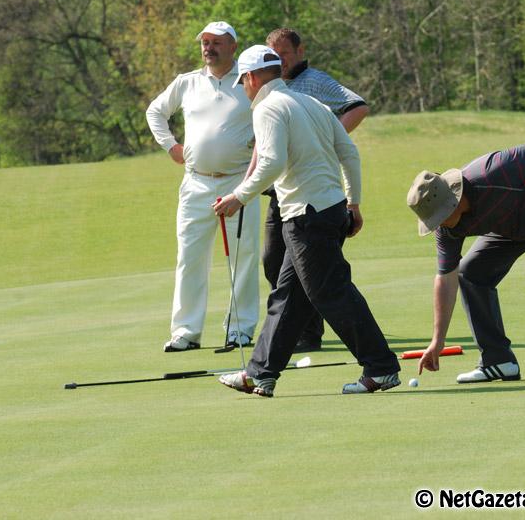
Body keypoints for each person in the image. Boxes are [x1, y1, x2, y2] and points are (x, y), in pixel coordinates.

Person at [213, 45, 400, 397]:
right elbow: (349, 152)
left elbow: (271, 162)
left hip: (306, 216)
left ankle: (381, 367)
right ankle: (260, 373)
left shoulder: (268, 108)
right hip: (328, 210)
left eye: (243, 81)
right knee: (289, 298)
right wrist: (353, 202)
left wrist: (239, 197)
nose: (244, 89)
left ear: (252, 77)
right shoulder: (310, 103)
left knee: (331, 294)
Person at [407, 139, 525, 382]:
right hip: (512, 226)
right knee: (470, 273)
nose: (438, 225)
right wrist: (437, 342)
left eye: (440, 217)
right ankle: (498, 361)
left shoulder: (491, 172)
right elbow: (445, 277)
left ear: (455, 200)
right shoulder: (447, 228)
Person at [253, 27, 369, 353]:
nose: (279, 60)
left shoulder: (315, 81)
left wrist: (327, 140)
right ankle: (291, 335)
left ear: (300, 50)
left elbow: (356, 106)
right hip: (282, 189)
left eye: (284, 53)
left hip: (311, 193)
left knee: (311, 270)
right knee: (273, 261)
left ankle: (307, 335)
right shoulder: (270, 90)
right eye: (272, 55)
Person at [145, 21, 260, 352]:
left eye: (216, 43)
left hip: (240, 182)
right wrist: (171, 146)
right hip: (196, 183)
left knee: (244, 256)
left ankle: (240, 329)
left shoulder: (249, 81)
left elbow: (269, 116)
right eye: (205, 42)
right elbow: (155, 112)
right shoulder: (188, 82)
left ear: (232, 47)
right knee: (190, 256)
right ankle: (185, 331)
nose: (208, 48)